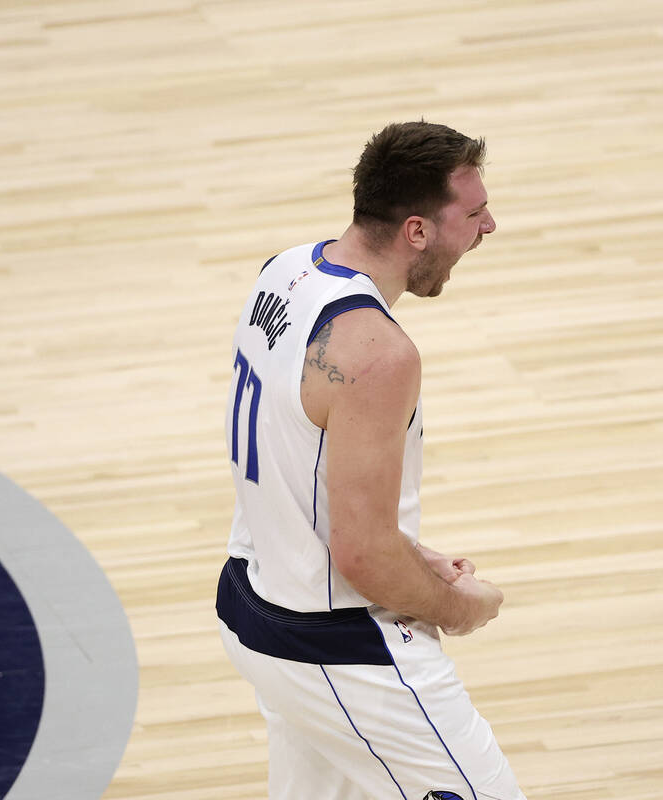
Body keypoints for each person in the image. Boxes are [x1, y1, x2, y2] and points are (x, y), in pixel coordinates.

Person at [216, 121, 524, 800]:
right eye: (472, 215)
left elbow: (298, 463)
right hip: (339, 650)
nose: (490, 226)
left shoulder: (285, 269)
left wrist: (405, 550)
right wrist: (455, 606)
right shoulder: (378, 355)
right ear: (417, 231)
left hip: (253, 603)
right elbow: (360, 556)